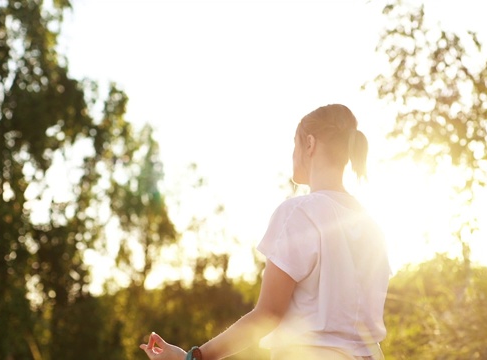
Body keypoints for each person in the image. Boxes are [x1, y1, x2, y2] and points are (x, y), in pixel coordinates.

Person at [140, 104, 391, 360]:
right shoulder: (372, 226)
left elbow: (268, 314)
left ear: (310, 144)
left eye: (295, 145)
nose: (293, 154)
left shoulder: (300, 212)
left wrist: (192, 358)